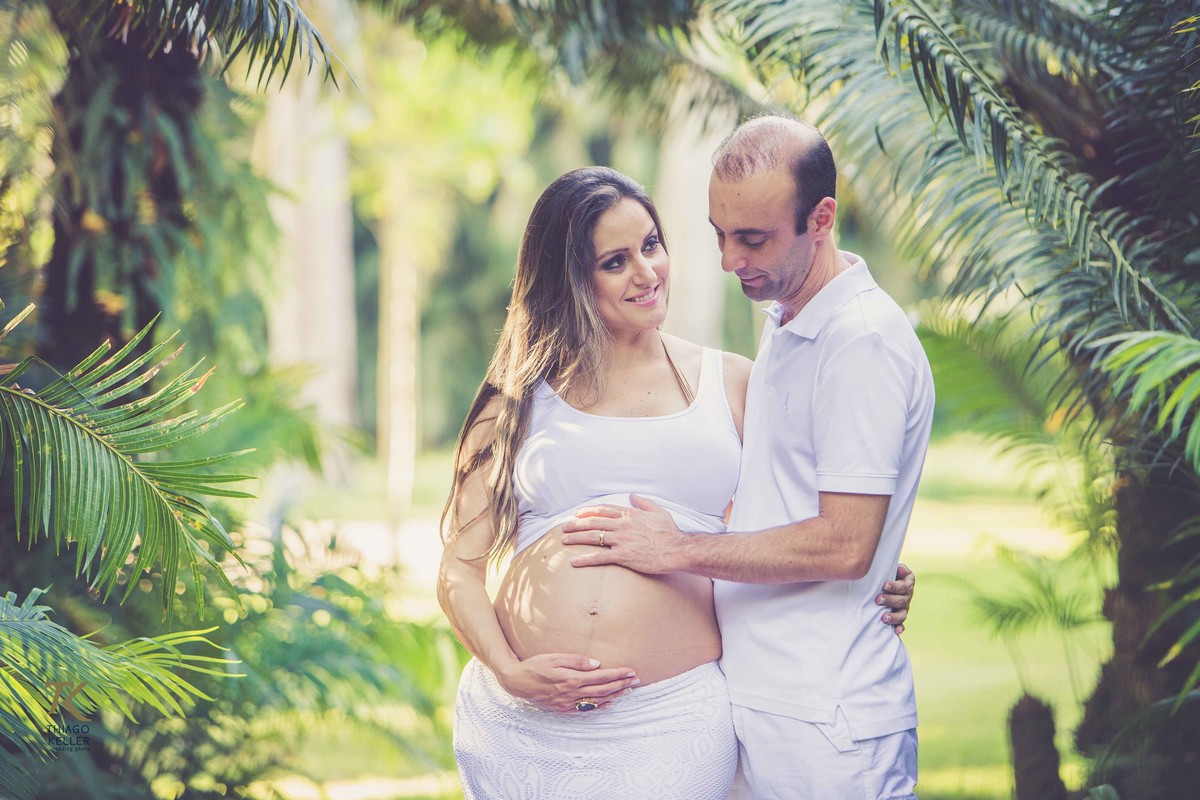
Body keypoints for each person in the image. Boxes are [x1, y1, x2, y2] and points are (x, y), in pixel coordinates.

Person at [438, 165, 914, 800]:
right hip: (526, 724)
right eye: (614, 261)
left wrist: (885, 564)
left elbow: (816, 517)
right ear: (571, 279)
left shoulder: (737, 382)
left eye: (651, 246)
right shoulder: (518, 399)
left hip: (670, 724)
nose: (646, 273)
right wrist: (509, 671)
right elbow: (458, 570)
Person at [562, 114, 934, 800]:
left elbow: (846, 545)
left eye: (753, 239)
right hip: (756, 702)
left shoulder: (860, 343)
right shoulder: (790, 323)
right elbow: (807, 509)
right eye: (719, 234)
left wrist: (678, 549)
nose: (731, 259)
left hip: (826, 722)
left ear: (821, 218)